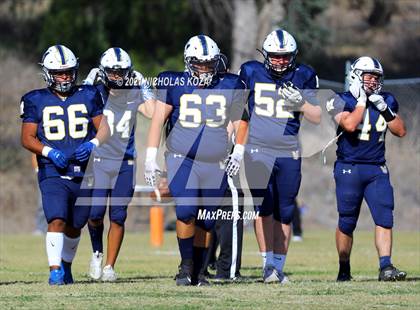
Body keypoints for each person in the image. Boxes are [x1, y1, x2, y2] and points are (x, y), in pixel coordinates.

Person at [144, 35, 248, 286]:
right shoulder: (173, 82)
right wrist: (150, 156)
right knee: (186, 210)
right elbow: (158, 119)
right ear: (188, 62)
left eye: (208, 64)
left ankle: (199, 272)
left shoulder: (230, 84)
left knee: (207, 218)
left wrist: (238, 151)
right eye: (198, 64)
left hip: (215, 161)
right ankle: (186, 266)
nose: (204, 69)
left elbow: (240, 121)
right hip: (183, 157)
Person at [20, 45, 109, 285]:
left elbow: (105, 129)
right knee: (56, 218)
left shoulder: (88, 94)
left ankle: (67, 266)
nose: (65, 77)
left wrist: (92, 144)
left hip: (84, 171)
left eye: (69, 72)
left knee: (75, 224)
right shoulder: (34, 99)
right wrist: (48, 151)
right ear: (48, 73)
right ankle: (55, 270)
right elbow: (27, 137)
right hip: (52, 170)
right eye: (60, 73)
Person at [239, 29, 321, 283]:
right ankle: (267, 265)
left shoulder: (304, 75)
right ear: (266, 55)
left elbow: (317, 117)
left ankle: (278, 266)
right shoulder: (251, 71)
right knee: (263, 207)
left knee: (285, 211)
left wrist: (302, 103)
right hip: (258, 149)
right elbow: (236, 108)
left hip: (288, 151)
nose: (280, 61)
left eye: (285, 57)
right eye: (275, 56)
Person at [326, 56, 407, 282]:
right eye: (368, 76)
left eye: (376, 77)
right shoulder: (340, 99)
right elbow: (350, 124)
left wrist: (387, 111)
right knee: (347, 221)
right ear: (355, 76)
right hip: (349, 167)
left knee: (384, 217)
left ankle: (386, 266)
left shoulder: (386, 100)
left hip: (376, 168)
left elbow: (401, 131)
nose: (372, 81)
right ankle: (344, 268)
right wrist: (362, 103)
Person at [83, 47, 155, 281]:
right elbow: (79, 102)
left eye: (121, 71)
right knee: (94, 214)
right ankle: (96, 252)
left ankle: (109, 266)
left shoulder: (134, 93)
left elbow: (153, 112)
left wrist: (145, 87)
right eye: (112, 71)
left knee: (118, 215)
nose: (116, 76)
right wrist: (88, 81)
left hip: (125, 160)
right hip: (99, 160)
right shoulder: (95, 93)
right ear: (104, 72)